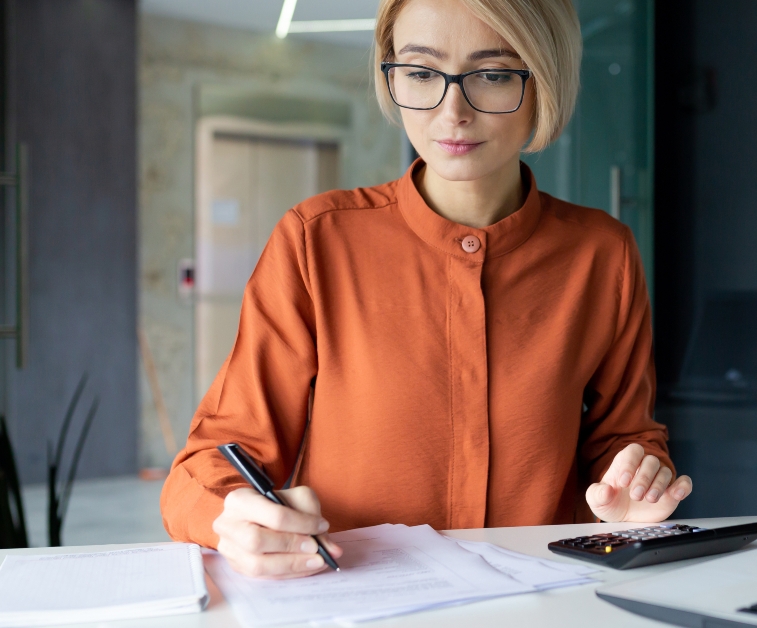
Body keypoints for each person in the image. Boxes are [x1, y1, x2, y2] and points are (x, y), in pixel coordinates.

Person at [160, 0, 692, 579]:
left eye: (492, 74)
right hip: (355, 600)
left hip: (538, 601)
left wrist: (636, 485)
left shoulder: (603, 253)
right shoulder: (315, 242)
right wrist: (230, 517)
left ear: (546, 79)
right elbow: (213, 460)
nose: (452, 111)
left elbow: (623, 437)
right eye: (420, 73)